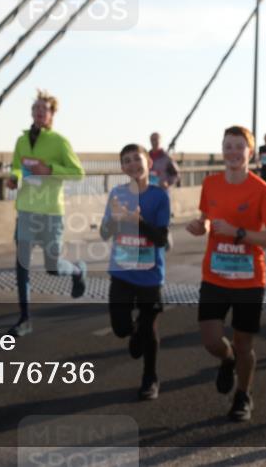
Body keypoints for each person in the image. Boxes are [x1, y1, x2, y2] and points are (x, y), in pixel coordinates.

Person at [187, 125, 266, 422]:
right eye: (227, 146)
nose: (232, 152)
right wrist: (200, 226)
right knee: (211, 341)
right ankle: (226, 359)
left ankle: (243, 394)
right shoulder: (210, 183)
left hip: (249, 280)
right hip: (214, 275)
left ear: (250, 152)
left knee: (244, 344)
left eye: (239, 147)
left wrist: (238, 232)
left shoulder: (261, 189)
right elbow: (207, 219)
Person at [5, 90, 86, 337]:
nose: (40, 112)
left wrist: (49, 169)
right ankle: (25, 319)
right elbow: (17, 166)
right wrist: (13, 178)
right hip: (26, 210)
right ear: (32, 112)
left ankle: (77, 271)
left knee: (52, 267)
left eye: (45, 109)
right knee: (22, 266)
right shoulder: (21, 141)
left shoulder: (59, 142)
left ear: (52, 115)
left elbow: (78, 173)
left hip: (50, 212)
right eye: (36, 108)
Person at [100, 144, 171, 400]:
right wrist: (115, 219)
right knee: (120, 328)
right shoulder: (117, 194)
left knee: (150, 329)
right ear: (122, 168)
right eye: (126, 161)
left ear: (148, 163)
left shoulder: (160, 196)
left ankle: (150, 378)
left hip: (150, 274)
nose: (132, 164)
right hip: (122, 272)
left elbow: (161, 239)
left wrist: (138, 222)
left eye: (137, 159)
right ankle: (135, 330)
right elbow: (104, 233)